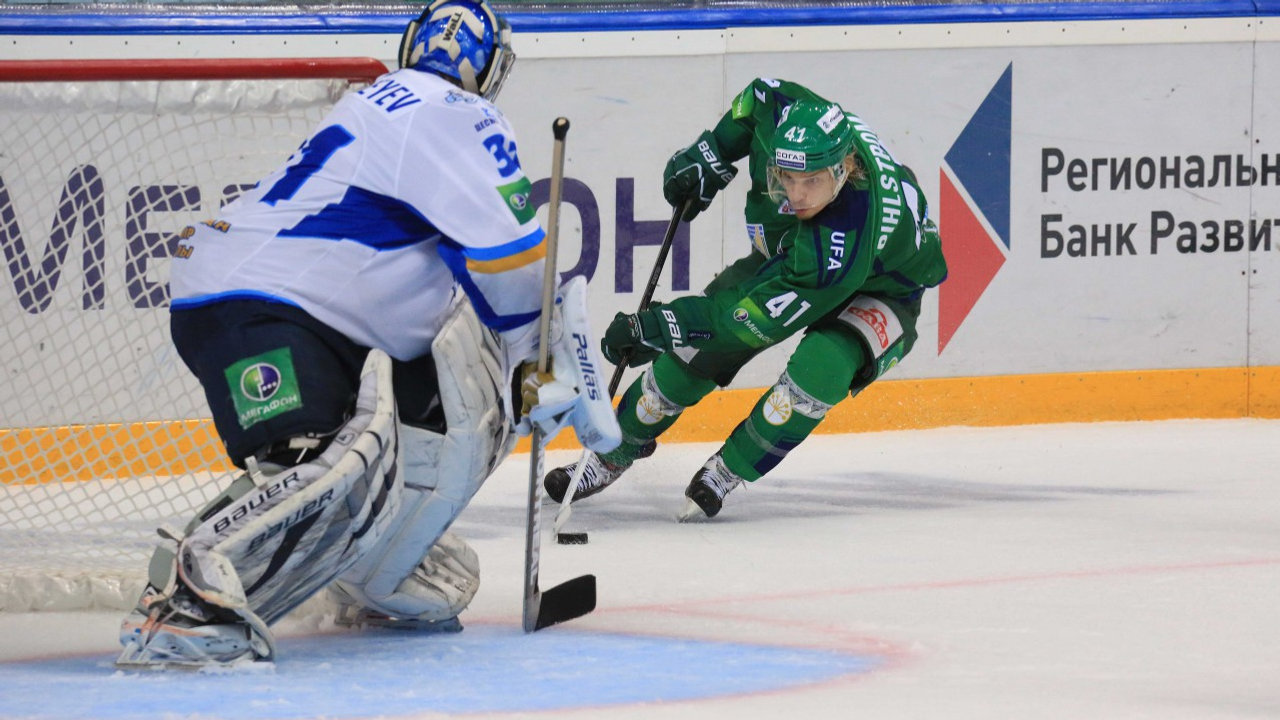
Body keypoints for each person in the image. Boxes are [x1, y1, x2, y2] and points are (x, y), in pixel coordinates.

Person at [116, 0, 619, 669]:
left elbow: (463, 271)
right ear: (492, 69)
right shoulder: (458, 113)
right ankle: (187, 596)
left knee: (404, 428)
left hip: (267, 301)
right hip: (267, 306)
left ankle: (369, 564)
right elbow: (510, 255)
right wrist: (535, 355)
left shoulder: (383, 103)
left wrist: (531, 362)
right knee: (328, 459)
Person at [545, 78, 946, 521]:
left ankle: (728, 469)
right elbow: (757, 99)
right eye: (786, 176)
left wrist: (662, 325)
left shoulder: (839, 247)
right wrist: (712, 151)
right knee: (690, 355)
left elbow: (741, 322)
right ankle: (610, 454)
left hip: (883, 288)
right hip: (791, 254)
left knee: (822, 366)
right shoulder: (786, 114)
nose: (795, 194)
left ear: (842, 169)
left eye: (811, 181)